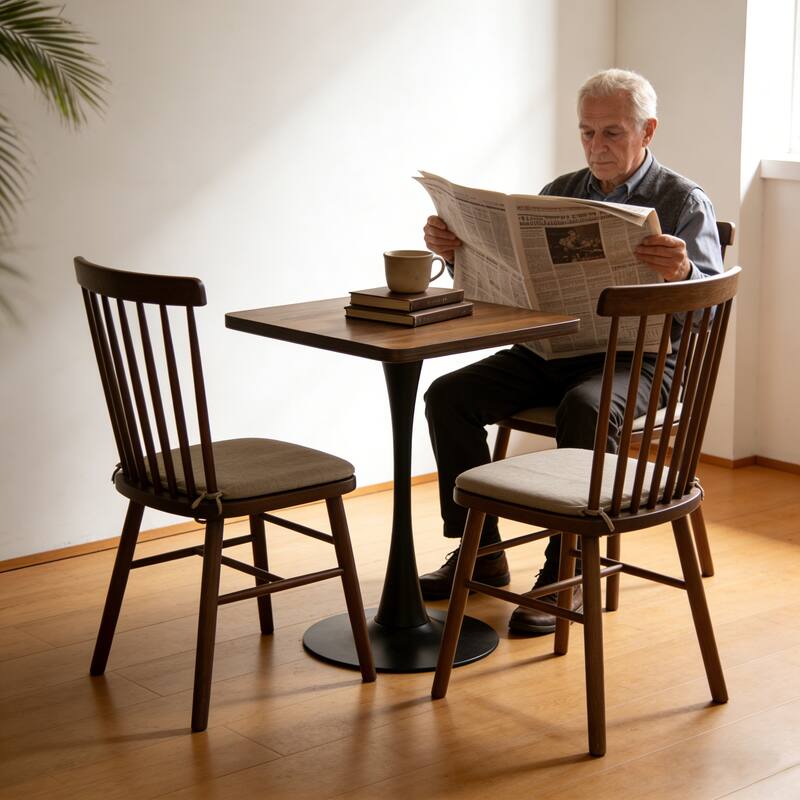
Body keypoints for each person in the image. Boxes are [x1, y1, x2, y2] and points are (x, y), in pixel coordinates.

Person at [420, 68, 723, 635]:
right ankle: (480, 549)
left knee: (584, 408)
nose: (596, 147)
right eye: (587, 133)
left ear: (647, 130)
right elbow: (514, 288)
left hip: (646, 359)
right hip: (553, 348)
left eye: (611, 133)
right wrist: (457, 253)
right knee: (447, 396)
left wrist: (681, 270)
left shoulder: (683, 200)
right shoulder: (559, 192)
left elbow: (708, 307)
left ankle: (570, 566)